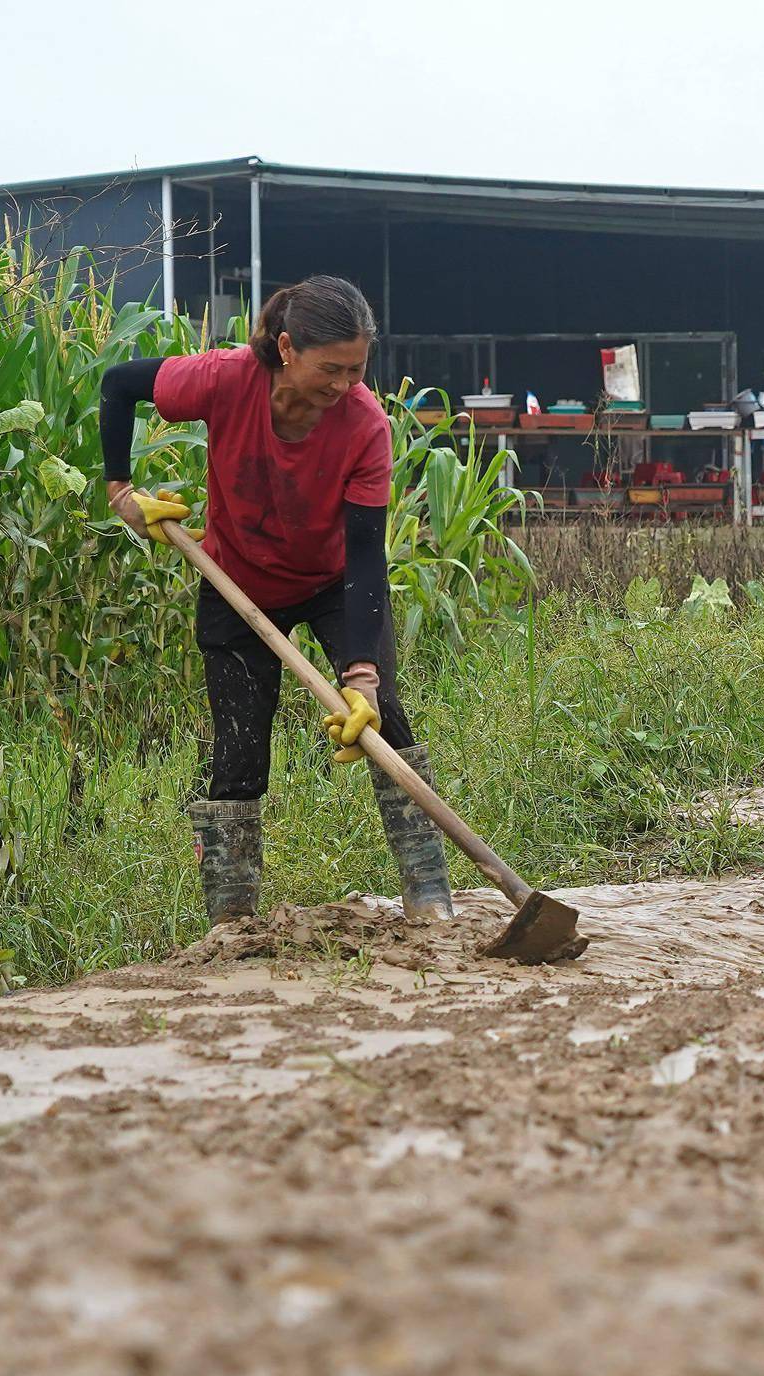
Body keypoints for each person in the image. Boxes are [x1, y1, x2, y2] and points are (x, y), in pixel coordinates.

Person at [95, 276, 454, 927]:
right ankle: (231, 922)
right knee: (238, 753)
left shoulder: (365, 426)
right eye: (331, 368)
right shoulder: (226, 379)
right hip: (236, 582)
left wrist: (362, 675)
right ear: (286, 348)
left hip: (331, 587)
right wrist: (121, 489)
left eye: (357, 369)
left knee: (386, 725)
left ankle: (430, 897)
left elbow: (368, 557)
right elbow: (120, 382)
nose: (344, 384)